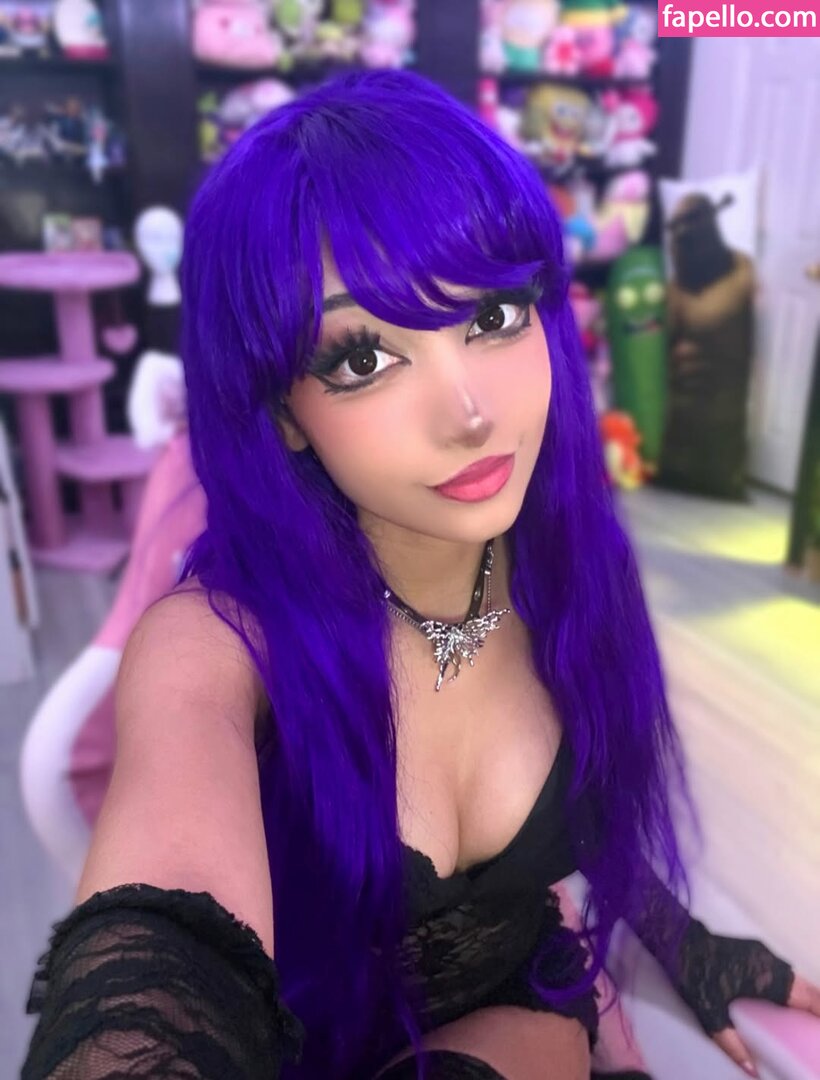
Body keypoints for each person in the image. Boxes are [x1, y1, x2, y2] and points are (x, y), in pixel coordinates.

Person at [21, 70, 819, 1080]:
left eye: (493, 316)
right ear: (281, 411)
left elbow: (594, 811)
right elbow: (158, 948)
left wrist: (678, 939)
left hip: (526, 1005)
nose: (470, 412)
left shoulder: (565, 562)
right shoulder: (217, 643)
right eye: (362, 358)